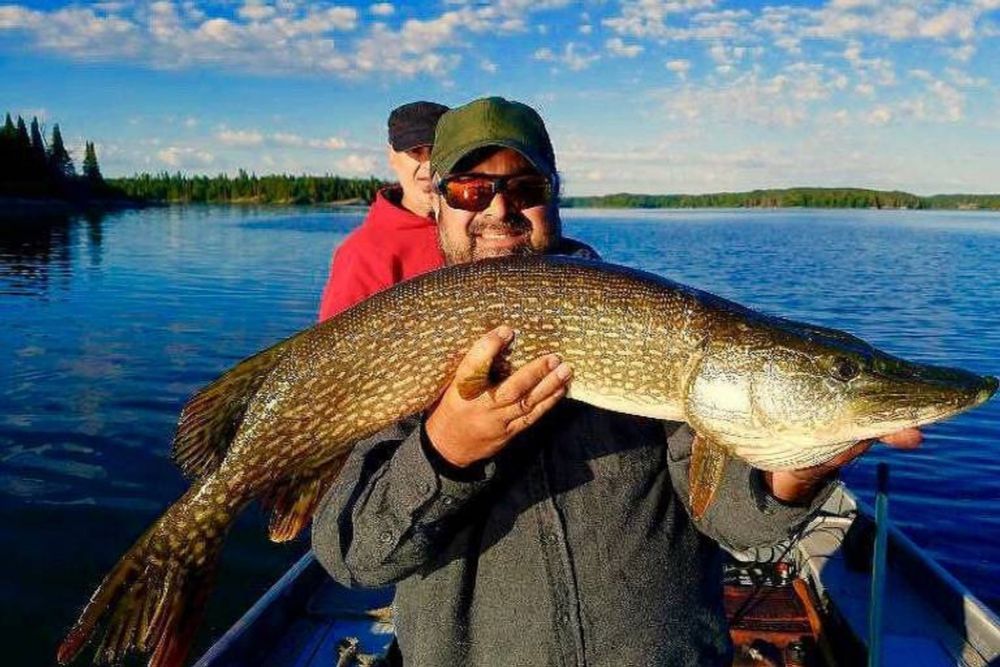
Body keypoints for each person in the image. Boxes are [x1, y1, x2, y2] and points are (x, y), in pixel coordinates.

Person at [312, 97, 922, 665]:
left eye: (526, 187)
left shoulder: (656, 326)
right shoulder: (404, 336)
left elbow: (731, 522)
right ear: (437, 205)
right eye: (471, 190)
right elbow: (353, 556)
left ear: (554, 198)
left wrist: (792, 476)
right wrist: (445, 453)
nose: (499, 210)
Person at [317, 101, 449, 321]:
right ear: (392, 156)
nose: (428, 167)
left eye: (438, 151)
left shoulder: (486, 231)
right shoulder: (361, 254)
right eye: (415, 152)